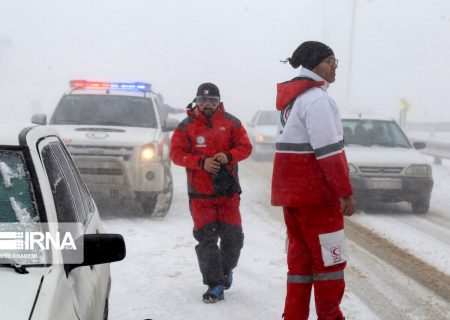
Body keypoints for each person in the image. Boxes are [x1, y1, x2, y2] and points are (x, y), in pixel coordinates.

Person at [271, 41, 357, 319]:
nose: (335, 66)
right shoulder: (318, 100)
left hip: (293, 196)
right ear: (314, 63)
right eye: (330, 60)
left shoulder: (292, 99)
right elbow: (329, 154)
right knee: (330, 264)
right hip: (317, 198)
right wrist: (344, 192)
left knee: (300, 263)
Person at [170, 83, 252, 303]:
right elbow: (176, 155)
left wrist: (229, 156)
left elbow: (246, 148)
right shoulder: (186, 126)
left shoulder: (232, 122)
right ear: (197, 101)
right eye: (203, 100)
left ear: (219, 102)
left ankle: (226, 271)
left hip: (228, 194)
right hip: (200, 196)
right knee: (206, 240)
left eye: (212, 101)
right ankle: (214, 284)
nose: (208, 105)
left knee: (233, 239)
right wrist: (200, 162)